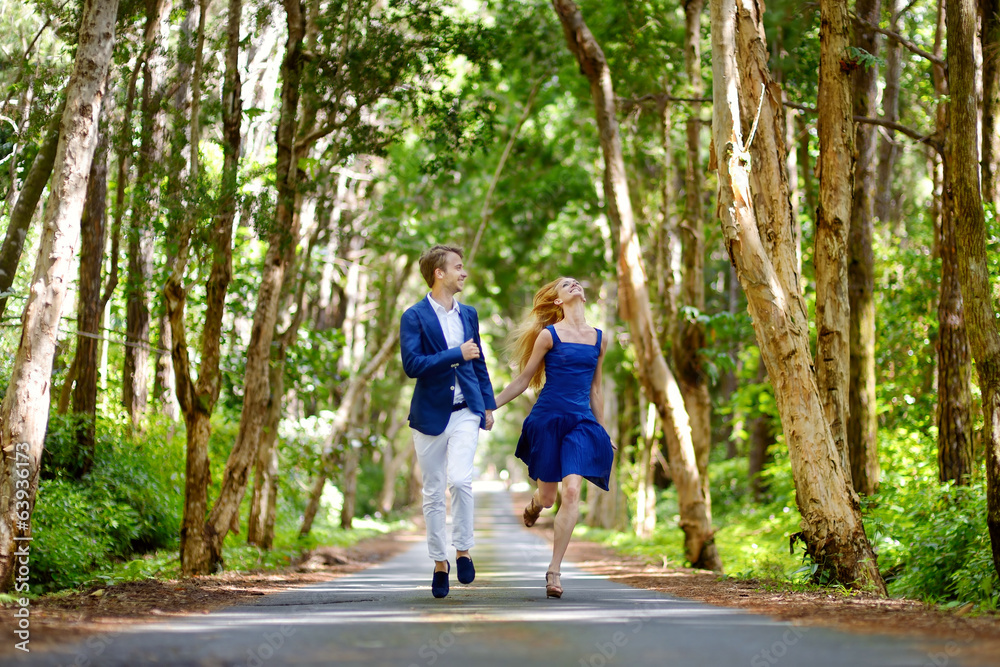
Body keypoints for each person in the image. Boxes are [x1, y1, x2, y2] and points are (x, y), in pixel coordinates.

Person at [494, 277, 614, 599]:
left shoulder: (599, 339)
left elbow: (596, 389)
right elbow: (522, 380)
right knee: (549, 499)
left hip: (580, 422)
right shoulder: (549, 336)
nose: (573, 285)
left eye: (576, 283)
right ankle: (536, 503)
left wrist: (601, 429)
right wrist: (487, 406)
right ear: (558, 301)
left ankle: (554, 569)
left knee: (572, 491)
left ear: (583, 296)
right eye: (565, 285)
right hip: (548, 419)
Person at [400, 245, 496, 599]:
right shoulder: (413, 316)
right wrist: (456, 353)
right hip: (428, 415)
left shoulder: (469, 314)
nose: (464, 273)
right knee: (433, 491)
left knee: (460, 480)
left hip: (466, 410)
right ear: (439, 273)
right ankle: (440, 562)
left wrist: (486, 405)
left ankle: (463, 550)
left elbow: (479, 362)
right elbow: (412, 365)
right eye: (458, 267)